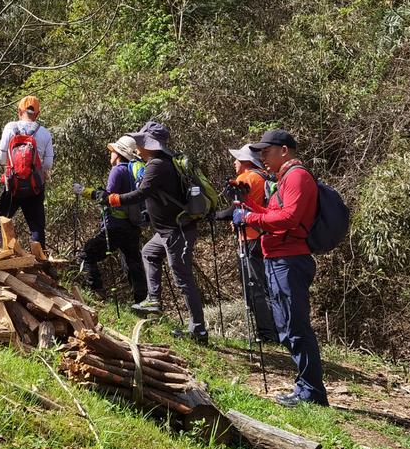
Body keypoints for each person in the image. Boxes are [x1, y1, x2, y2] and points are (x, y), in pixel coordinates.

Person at [234, 129, 329, 407]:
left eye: (266, 150)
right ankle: (304, 388)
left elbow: (290, 217)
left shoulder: (297, 176)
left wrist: (250, 217)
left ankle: (312, 392)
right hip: (278, 259)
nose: (262, 156)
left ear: (284, 150)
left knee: (296, 327)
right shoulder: (284, 178)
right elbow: (274, 213)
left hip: (290, 260)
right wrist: (246, 204)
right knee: (287, 326)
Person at [108, 120, 209, 343]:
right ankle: (154, 299)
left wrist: (113, 199)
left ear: (151, 144)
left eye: (141, 142)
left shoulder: (157, 164)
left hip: (176, 231)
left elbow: (141, 194)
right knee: (149, 252)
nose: (138, 147)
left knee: (183, 279)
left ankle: (199, 331)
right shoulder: (163, 161)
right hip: (168, 231)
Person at [78, 134, 147, 302]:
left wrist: (83, 191)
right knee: (132, 264)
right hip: (132, 225)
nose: (110, 154)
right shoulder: (133, 171)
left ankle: (96, 292)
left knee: (86, 254)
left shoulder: (118, 170)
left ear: (118, 154)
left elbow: (107, 199)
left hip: (115, 226)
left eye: (113, 151)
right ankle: (143, 302)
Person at [223, 143, 276, 343]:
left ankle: (266, 334)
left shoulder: (245, 178)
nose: (235, 162)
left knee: (253, 287)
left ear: (246, 161)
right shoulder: (266, 177)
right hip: (265, 235)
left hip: (250, 236)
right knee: (266, 285)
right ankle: (275, 330)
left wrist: (213, 215)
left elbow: (235, 209)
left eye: (237, 159)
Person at [0, 96, 54, 249]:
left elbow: (1, 159)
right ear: (38, 114)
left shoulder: (10, 127)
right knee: (36, 226)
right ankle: (40, 260)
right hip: (35, 186)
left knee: (3, 219)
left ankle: (5, 254)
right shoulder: (45, 133)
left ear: (19, 111)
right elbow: (48, 164)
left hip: (12, 185)